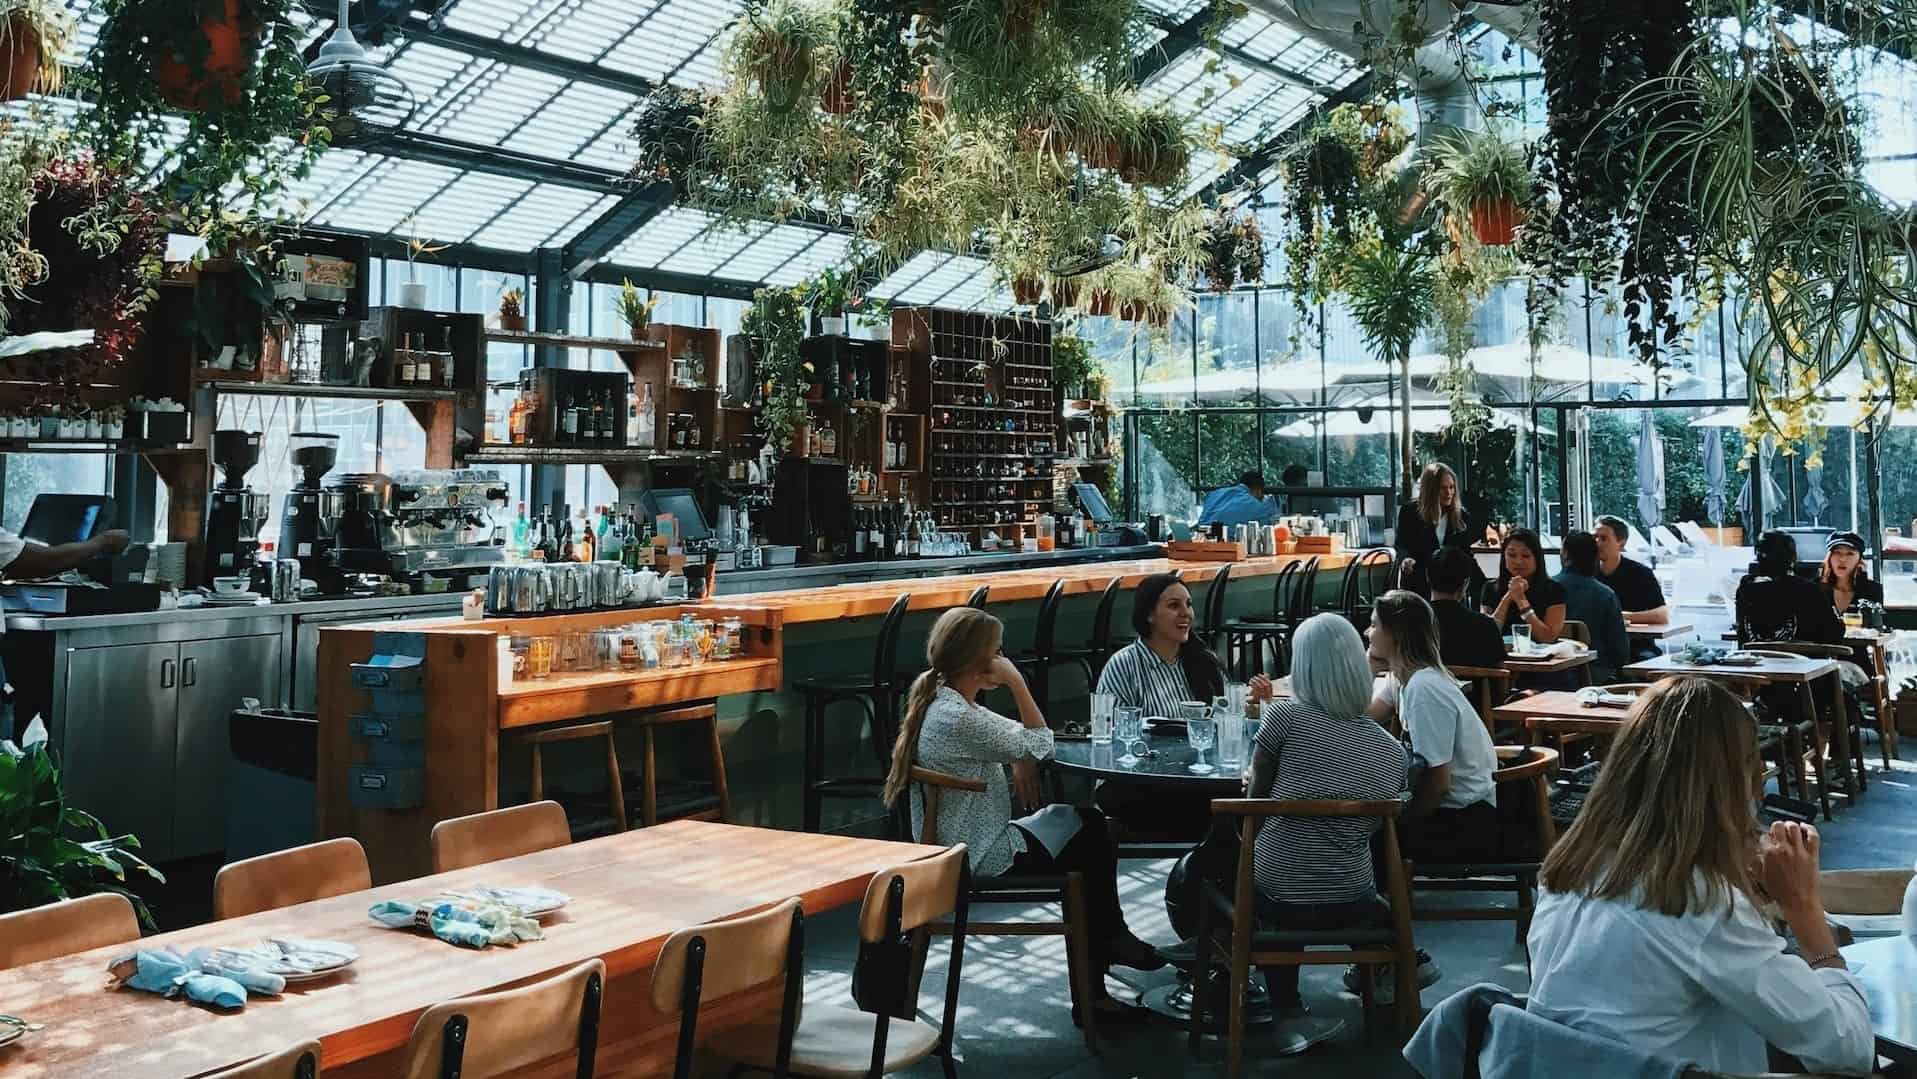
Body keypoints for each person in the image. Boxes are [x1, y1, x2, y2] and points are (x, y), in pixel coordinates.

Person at [1526, 677, 1874, 1075]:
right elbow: (1849, 1048)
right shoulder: (1697, 902)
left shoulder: (1570, 870)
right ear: (1727, 785)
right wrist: (1804, 908)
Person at [882, 607, 1163, 1018]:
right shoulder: (960, 718)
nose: (1004, 659)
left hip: (958, 842)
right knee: (1090, 833)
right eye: (998, 652)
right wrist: (1016, 682)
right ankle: (1104, 962)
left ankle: (1103, 963)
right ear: (981, 662)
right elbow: (1041, 743)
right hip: (979, 854)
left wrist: (1018, 757)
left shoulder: (940, 700)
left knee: (1083, 827)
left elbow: (1016, 740)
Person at [1243, 613, 1409, 1054]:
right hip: (1352, 897)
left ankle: (1276, 1005)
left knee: (1223, 869)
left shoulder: (1284, 719)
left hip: (1278, 893)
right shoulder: (1390, 751)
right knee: (1360, 891)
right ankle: (1390, 992)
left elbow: (1253, 808)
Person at [1096, 573, 1270, 839]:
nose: (1186, 614)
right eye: (1174, 605)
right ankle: (1213, 869)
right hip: (1141, 780)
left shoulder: (1202, 660)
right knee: (1222, 808)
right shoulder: (1125, 665)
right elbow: (1111, 739)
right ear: (1149, 615)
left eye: (1188, 604)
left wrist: (1253, 706)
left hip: (1198, 775)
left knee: (1253, 791)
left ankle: (1228, 869)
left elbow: (1225, 719)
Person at [1365, 591, 1500, 868]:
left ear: (1396, 634)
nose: (1368, 632)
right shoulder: (1401, 679)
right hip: (1450, 811)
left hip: (1466, 821)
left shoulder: (1423, 688)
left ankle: (1385, 910)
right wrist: (1367, 669)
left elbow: (1438, 783)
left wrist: (1402, 822)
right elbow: (1361, 718)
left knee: (1358, 837)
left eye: (1375, 624)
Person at [1736, 531, 1843, 645]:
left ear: (1757, 557)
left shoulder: (1745, 589)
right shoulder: (1809, 591)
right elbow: (1833, 635)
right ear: (1794, 557)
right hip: (1803, 661)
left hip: (1756, 660)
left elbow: (1742, 634)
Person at [1553, 531, 1630, 684]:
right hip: (1597, 675)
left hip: (1551, 674)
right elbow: (1620, 653)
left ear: (1565, 554)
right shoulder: (1605, 594)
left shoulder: (1546, 589)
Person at [1394, 463, 1474, 596]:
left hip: (1451, 586)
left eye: (1451, 487)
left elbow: (1465, 554)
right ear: (1430, 489)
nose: (1449, 493)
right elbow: (1401, 545)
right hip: (1419, 582)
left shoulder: (1461, 516)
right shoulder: (1410, 512)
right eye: (1442, 488)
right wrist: (1405, 559)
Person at [1425, 546, 1506, 671]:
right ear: (1465, 583)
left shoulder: (1411, 623)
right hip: (1473, 691)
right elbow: (1500, 675)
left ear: (1427, 578)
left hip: (1421, 691)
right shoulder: (1485, 625)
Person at [1484, 528, 1567, 644]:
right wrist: (1508, 598)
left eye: (1526, 555)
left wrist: (1521, 599)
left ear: (1537, 558)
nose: (1518, 561)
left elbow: (1547, 637)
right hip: (1500, 657)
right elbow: (1486, 635)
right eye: (1512, 555)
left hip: (1542, 659)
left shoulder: (1554, 590)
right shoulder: (1490, 588)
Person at [1592, 516, 1669, 625]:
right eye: (1594, 537)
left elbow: (1662, 615)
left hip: (1637, 640)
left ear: (1621, 543)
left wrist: (1621, 617)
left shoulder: (1641, 574)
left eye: (1604, 538)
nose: (1597, 543)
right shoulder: (1586, 574)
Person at [1820, 531, 1882, 615]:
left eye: (1850, 553)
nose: (1842, 559)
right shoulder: (1814, 588)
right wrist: (1824, 581)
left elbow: (1874, 622)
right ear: (1829, 557)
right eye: (1837, 552)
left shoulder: (1873, 589)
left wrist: (1862, 583)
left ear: (1859, 560)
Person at [1197, 469, 1279, 528]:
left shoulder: (1216, 493)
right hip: (1223, 545)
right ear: (1258, 491)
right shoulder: (1254, 504)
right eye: (1261, 497)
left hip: (1198, 539)